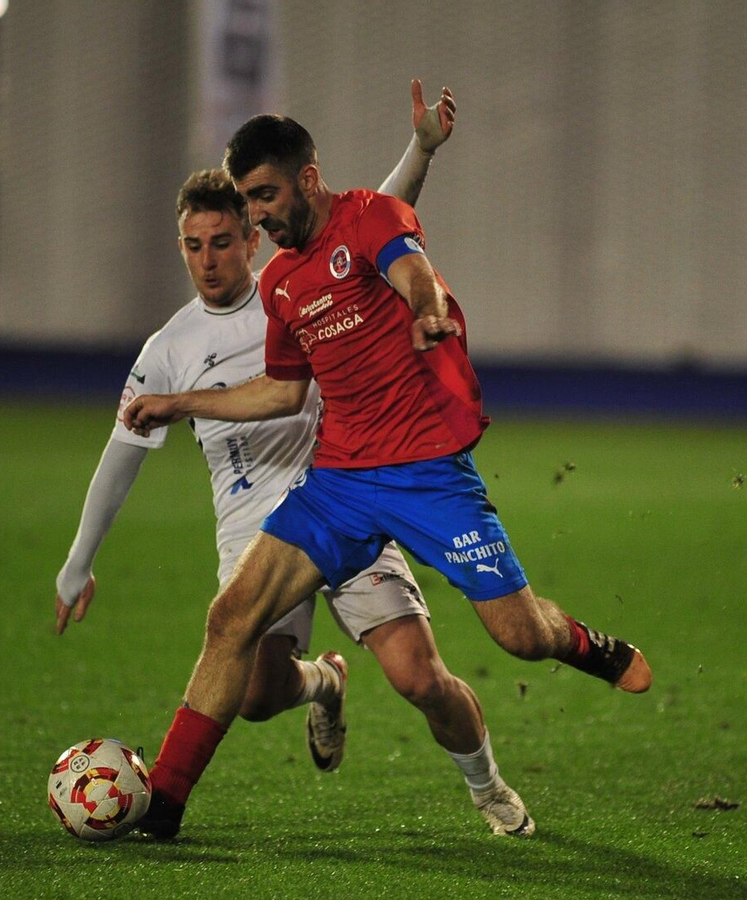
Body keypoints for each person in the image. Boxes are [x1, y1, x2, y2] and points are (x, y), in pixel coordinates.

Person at [122, 109, 653, 839]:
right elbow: (281, 391)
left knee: (513, 641)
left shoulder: (371, 217)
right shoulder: (281, 283)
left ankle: (575, 666)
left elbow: (413, 271)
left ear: (307, 179)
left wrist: (426, 310)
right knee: (230, 619)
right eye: (250, 203)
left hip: (430, 475)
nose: (260, 218)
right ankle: (165, 806)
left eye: (267, 198)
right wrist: (177, 403)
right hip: (340, 483)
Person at [58, 84, 537, 838]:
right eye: (193, 244)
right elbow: (123, 454)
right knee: (252, 695)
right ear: (180, 245)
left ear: (253, 235)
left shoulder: (297, 284)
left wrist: (422, 148)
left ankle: (487, 784)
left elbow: (375, 217)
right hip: (253, 528)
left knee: (417, 675)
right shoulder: (168, 350)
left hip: (345, 497)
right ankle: (324, 684)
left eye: (225, 239)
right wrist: (79, 559)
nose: (209, 259)